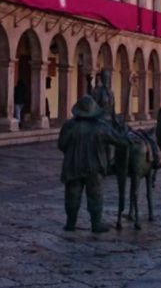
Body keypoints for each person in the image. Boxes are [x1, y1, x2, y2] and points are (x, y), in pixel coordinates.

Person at [57, 94, 128, 233]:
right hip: (94, 168)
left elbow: (61, 145)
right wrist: (124, 132)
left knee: (72, 195)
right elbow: (120, 141)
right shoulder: (101, 127)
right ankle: (96, 224)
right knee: (95, 195)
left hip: (73, 166)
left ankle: (70, 223)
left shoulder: (69, 125)